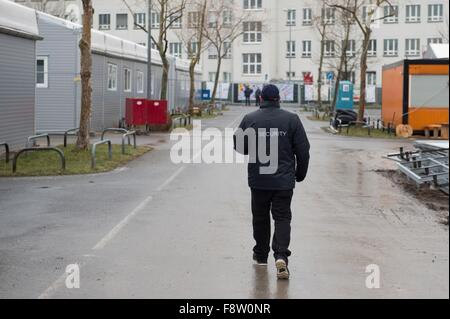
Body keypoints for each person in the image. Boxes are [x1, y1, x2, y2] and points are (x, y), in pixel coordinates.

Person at [234, 84, 310, 280]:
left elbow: (240, 147)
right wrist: (299, 174)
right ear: (278, 99)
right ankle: (281, 255)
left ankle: (260, 255)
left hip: (258, 180)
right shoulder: (292, 120)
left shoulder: (250, 119)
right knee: (282, 217)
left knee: (260, 218)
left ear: (260, 99)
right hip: (284, 182)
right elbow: (303, 151)